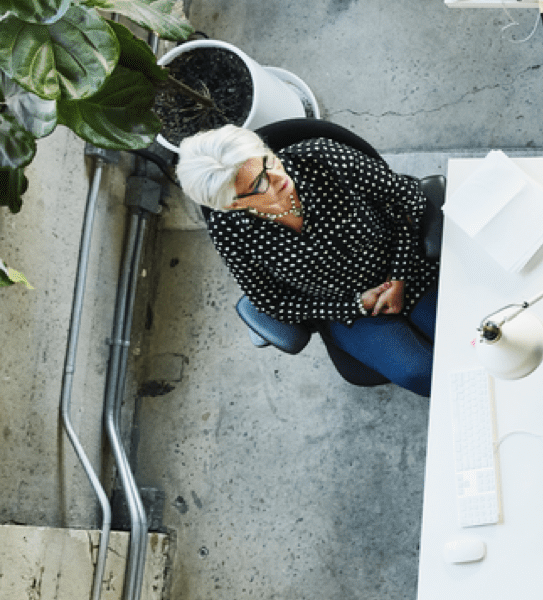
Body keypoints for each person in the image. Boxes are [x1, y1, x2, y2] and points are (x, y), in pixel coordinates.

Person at [175, 125, 439, 396]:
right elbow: (270, 300)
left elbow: (408, 198)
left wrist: (398, 275)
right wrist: (355, 305)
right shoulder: (228, 230)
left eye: (267, 160)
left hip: (405, 266)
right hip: (344, 309)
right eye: (259, 184)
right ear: (233, 204)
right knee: (421, 373)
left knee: (469, 337)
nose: (277, 176)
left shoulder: (325, 158)